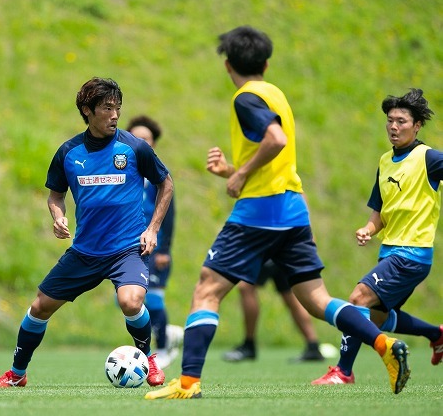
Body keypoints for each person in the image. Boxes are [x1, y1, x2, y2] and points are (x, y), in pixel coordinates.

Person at [145, 26, 409, 400]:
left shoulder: (245, 98)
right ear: (266, 64)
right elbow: (275, 157)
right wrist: (231, 170)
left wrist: (240, 174)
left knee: (207, 289)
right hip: (293, 209)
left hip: (259, 212)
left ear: (227, 65)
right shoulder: (276, 94)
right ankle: (384, 345)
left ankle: (188, 384)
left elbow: (276, 140)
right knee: (317, 300)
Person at [0, 77, 174, 388]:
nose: (115, 115)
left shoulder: (134, 148)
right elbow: (55, 195)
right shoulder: (69, 152)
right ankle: (17, 374)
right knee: (39, 307)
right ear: (88, 110)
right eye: (107, 108)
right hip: (85, 252)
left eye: (117, 108)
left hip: (127, 249)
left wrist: (153, 229)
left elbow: (165, 183)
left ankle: (148, 359)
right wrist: (58, 216)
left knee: (131, 301)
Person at [312, 88, 443, 386]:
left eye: (401, 121)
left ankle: (343, 372)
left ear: (417, 125)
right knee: (375, 317)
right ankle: (436, 335)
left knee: (358, 298)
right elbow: (379, 212)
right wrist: (368, 229)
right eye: (390, 121)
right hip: (390, 252)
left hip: (411, 254)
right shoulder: (385, 161)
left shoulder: (429, 158)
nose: (394, 127)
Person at [127, 115, 183, 369]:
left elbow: (168, 214)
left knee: (155, 298)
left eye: (146, 139)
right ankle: (166, 332)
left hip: (154, 247)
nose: (141, 142)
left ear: (153, 144)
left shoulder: (159, 175)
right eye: (136, 137)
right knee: (129, 299)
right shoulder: (122, 171)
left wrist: (165, 249)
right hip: (127, 247)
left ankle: (162, 347)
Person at [222, 260, 325, 362]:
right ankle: (313, 346)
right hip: (285, 254)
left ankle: (249, 345)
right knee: (289, 294)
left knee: (246, 287)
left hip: (268, 253)